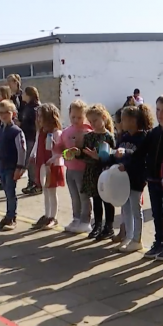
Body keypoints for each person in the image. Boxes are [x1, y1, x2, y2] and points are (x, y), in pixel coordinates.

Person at [133, 94, 163, 261]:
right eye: (158, 109)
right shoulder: (152, 133)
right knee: (157, 213)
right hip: (153, 181)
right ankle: (159, 241)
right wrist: (123, 158)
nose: (160, 114)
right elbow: (140, 153)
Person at [113, 104, 153, 253]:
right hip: (123, 179)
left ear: (133, 120)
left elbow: (140, 158)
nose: (122, 122)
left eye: (124, 119)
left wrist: (127, 165)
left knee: (136, 209)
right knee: (126, 209)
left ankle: (137, 239)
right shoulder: (124, 136)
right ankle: (128, 237)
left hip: (136, 178)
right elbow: (117, 153)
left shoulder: (142, 137)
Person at [75, 104, 116, 240]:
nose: (93, 124)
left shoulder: (108, 137)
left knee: (107, 200)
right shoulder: (88, 137)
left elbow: (113, 157)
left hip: (104, 172)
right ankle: (97, 225)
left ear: (104, 118)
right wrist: (76, 153)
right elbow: (84, 154)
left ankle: (109, 227)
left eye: (95, 121)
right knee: (96, 200)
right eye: (90, 122)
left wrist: (98, 158)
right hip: (92, 173)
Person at [0, 100, 28, 231]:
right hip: (1, 164)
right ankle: (8, 215)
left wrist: (20, 167)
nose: (3, 115)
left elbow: (22, 149)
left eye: (6, 113)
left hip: (11, 166)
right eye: (0, 113)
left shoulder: (16, 131)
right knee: (7, 192)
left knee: (11, 192)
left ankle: (12, 217)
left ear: (13, 114)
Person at [60, 100, 93, 233]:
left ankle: (86, 221)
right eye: (73, 117)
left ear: (84, 116)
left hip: (82, 169)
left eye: (79, 117)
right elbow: (61, 148)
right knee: (74, 196)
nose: (76, 120)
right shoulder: (66, 131)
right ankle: (76, 218)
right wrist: (63, 153)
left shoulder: (88, 131)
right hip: (70, 169)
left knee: (84, 196)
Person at [30, 104, 64, 230]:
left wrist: (53, 158)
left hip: (52, 165)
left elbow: (60, 151)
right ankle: (46, 214)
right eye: (38, 116)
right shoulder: (41, 132)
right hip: (42, 164)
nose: (39, 119)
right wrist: (33, 155)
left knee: (52, 191)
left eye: (41, 116)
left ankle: (52, 217)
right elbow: (36, 144)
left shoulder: (56, 133)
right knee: (45, 191)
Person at [19, 87, 41, 195]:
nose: (22, 95)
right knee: (29, 161)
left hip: (32, 137)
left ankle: (36, 183)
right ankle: (31, 182)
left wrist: (22, 125)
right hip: (26, 136)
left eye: (24, 93)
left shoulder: (35, 108)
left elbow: (34, 125)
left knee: (31, 161)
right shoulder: (27, 106)